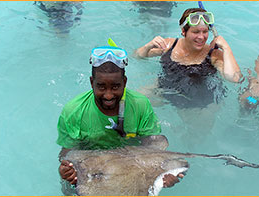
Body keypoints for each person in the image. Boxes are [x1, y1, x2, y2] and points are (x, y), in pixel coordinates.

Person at [57, 44, 184, 195]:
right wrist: (66, 169)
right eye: (101, 87)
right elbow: (66, 153)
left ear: (124, 82)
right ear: (92, 83)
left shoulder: (140, 105)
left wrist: (162, 173)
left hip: (131, 162)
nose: (109, 95)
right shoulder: (73, 111)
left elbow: (153, 147)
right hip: (92, 162)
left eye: (116, 86)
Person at [135, 8, 242, 135]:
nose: (201, 37)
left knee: (194, 138)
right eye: (195, 32)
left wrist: (226, 48)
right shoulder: (169, 45)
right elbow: (138, 56)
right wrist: (149, 45)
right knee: (134, 103)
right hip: (165, 90)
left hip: (199, 103)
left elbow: (234, 78)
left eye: (205, 31)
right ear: (183, 31)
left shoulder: (213, 54)